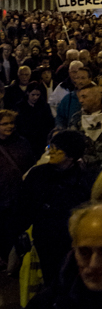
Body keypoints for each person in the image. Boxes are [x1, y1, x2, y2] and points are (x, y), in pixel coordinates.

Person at [18, 130, 93, 284]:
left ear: (71, 154)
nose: (52, 151)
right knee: (51, 279)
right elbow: (23, 205)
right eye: (51, 146)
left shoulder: (85, 178)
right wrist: (19, 233)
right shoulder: (38, 174)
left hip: (74, 240)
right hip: (46, 238)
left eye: (58, 148)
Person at [0, 109, 35, 262]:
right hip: (1, 195)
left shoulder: (22, 143)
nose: (9, 126)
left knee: (15, 228)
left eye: (11, 123)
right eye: (4, 124)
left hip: (18, 194)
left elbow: (30, 165)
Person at [68, 82, 102, 170]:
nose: (80, 101)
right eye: (79, 97)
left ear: (96, 97)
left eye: (84, 96)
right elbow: (71, 143)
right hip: (84, 169)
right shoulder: (76, 118)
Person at [13, 80, 55, 158]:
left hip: (41, 139)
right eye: (33, 95)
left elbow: (49, 122)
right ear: (28, 93)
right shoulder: (20, 106)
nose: (35, 97)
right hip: (26, 139)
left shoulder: (44, 106)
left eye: (37, 95)